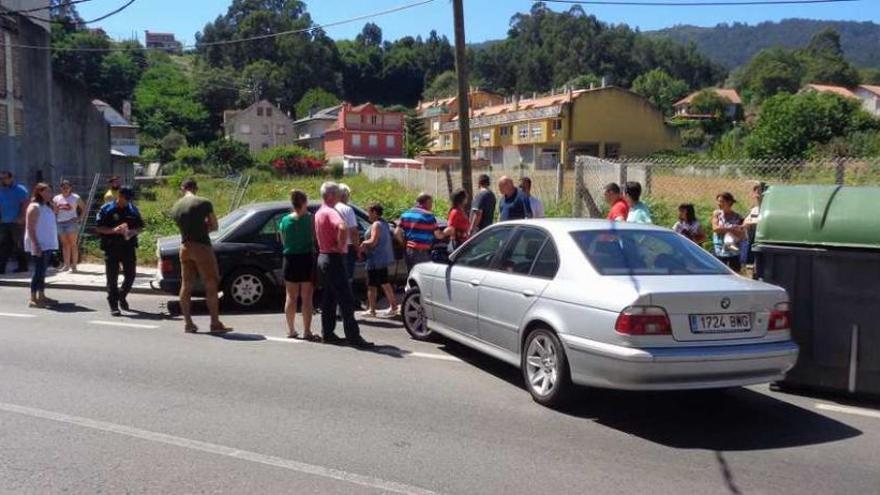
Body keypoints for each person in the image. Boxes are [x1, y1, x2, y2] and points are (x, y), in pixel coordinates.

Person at [170, 178, 232, 334]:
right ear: (195, 188)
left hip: (185, 247)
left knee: (186, 284)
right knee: (211, 283)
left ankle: (188, 323)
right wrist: (204, 228)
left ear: (182, 188)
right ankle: (215, 322)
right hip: (202, 247)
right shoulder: (204, 202)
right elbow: (215, 226)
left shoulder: (176, 207)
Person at [315, 181, 372, 348]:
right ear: (331, 195)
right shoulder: (331, 212)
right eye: (338, 194)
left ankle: (328, 333)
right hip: (334, 258)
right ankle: (354, 337)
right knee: (346, 300)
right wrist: (340, 246)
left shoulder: (319, 211)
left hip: (323, 256)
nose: (340, 197)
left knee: (329, 298)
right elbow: (342, 227)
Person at [95, 186, 144, 316]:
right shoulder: (106, 209)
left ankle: (122, 295)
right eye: (126, 198)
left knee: (131, 275)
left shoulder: (132, 209)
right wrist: (113, 230)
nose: (127, 201)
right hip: (111, 247)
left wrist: (133, 231)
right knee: (112, 278)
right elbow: (99, 228)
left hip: (128, 246)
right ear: (119, 196)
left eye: (129, 199)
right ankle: (113, 304)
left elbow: (140, 226)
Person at [279, 189, 318, 341]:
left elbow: (283, 240)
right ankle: (307, 331)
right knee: (307, 297)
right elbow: (315, 239)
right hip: (306, 258)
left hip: (289, 259)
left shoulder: (285, 220)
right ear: (305, 202)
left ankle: (291, 330)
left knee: (290, 296)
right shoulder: (311, 219)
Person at [358, 203, 398, 319]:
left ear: (375, 213)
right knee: (384, 283)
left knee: (372, 285)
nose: (368, 214)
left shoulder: (376, 224)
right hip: (381, 258)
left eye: (369, 212)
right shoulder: (384, 223)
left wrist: (363, 244)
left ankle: (372, 309)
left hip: (376, 259)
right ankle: (392, 306)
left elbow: (373, 241)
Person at [23, 183, 58, 308]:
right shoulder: (34, 207)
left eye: (50, 191)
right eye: (47, 192)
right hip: (39, 244)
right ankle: (33, 298)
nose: (50, 194)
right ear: (39, 192)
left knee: (43, 271)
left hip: (48, 243)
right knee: (38, 271)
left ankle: (42, 296)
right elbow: (30, 228)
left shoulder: (47, 207)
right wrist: (36, 244)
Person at [396, 192, 444, 273]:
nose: (431, 205)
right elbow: (438, 235)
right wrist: (445, 234)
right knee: (423, 276)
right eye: (431, 202)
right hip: (422, 252)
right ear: (427, 202)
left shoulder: (406, 214)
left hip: (409, 251)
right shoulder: (428, 216)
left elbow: (396, 232)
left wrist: (404, 244)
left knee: (412, 275)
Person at [0, 170, 30, 273]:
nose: (2, 180)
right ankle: (1, 268)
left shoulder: (20, 189)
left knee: (19, 245)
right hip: (4, 222)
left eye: (5, 178)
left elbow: (25, 204)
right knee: (4, 245)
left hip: (17, 222)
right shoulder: (1, 190)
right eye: (1, 179)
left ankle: (23, 266)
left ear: (11, 178)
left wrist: (22, 217)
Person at [53, 180, 84, 272]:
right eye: (63, 187)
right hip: (60, 222)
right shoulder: (56, 198)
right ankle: (66, 265)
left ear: (70, 188)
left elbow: (84, 208)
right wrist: (56, 210)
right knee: (65, 244)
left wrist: (79, 218)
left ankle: (74, 265)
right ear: (61, 188)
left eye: (67, 187)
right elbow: (55, 211)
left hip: (71, 222)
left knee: (73, 244)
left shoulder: (75, 197)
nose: (65, 189)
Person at [711, 192, 746, 272]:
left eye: (722, 201)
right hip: (719, 250)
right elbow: (715, 229)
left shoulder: (738, 217)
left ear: (729, 202)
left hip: (733, 251)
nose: (719, 204)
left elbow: (742, 235)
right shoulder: (716, 214)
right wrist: (732, 229)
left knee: (735, 275)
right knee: (718, 275)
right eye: (718, 201)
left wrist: (724, 229)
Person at [335, 183, 360, 283]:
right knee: (347, 278)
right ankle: (347, 298)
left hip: (332, 247)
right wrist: (357, 249)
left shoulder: (330, 208)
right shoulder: (348, 209)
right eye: (348, 195)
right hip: (347, 248)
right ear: (344, 195)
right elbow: (353, 232)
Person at [743, 182, 767, 265]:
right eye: (756, 191)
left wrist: (753, 222)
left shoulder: (769, 209)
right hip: (753, 240)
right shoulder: (754, 209)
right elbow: (745, 223)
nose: (757, 194)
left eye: (760, 191)